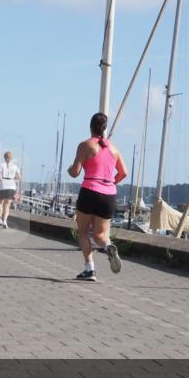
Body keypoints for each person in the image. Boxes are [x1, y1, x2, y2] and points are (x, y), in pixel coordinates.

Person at [67, 112, 128, 280]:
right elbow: (124, 173)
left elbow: (75, 172)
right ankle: (108, 246)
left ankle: (90, 269)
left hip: (90, 190)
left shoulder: (85, 145)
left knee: (83, 232)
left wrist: (69, 169)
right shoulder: (114, 149)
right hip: (109, 194)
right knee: (100, 235)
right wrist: (111, 183)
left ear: (90, 127)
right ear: (104, 128)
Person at [0, 151, 21, 229]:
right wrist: (13, 178)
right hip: (11, 185)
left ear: (4, 157)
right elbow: (19, 177)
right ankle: (5, 220)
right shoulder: (15, 167)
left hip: (2, 185)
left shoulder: (0, 165)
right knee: (7, 205)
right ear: (11, 158)